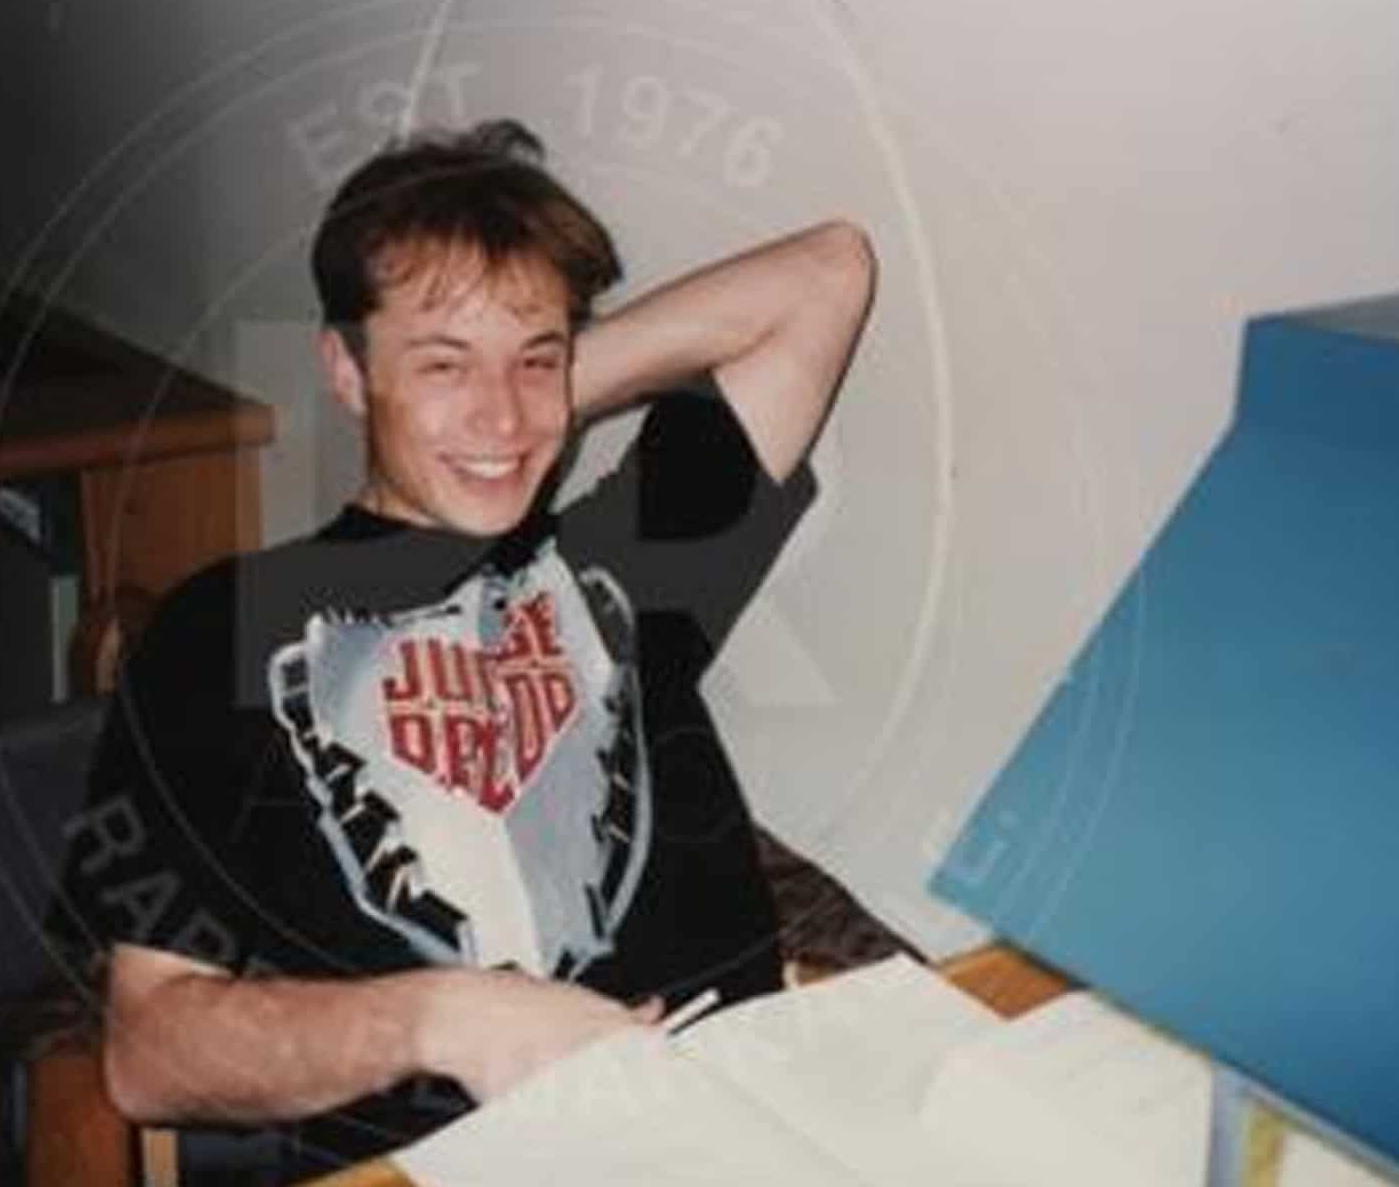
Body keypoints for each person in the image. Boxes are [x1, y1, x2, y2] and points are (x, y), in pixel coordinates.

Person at [52, 117, 876, 1179]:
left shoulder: (625, 559)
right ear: (346, 370)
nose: (501, 413)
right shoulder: (225, 627)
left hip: (754, 1131)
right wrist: (446, 1019)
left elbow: (828, 273)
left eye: (539, 359)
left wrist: (522, 406)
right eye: (440, 363)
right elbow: (148, 1051)